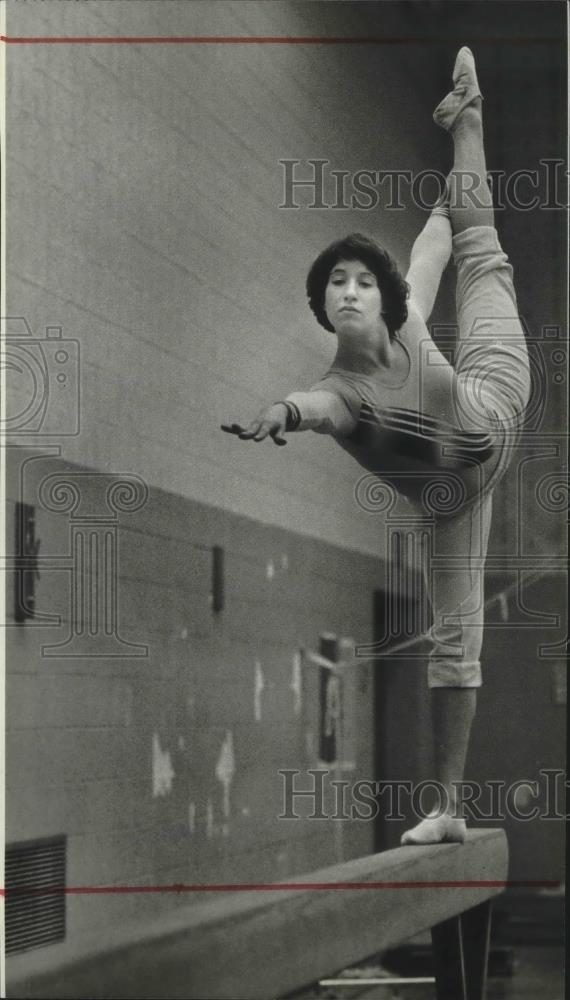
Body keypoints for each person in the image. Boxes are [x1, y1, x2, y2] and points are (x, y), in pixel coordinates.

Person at [222, 48, 530, 843]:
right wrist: (280, 411)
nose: (351, 289)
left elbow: (432, 248)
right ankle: (449, 809)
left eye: (362, 279)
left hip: (495, 395)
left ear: (377, 295)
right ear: (323, 310)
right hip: (456, 502)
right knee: (453, 643)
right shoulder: (345, 392)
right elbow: (318, 406)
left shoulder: (403, 321)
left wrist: (452, 179)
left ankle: (471, 118)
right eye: (336, 284)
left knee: (477, 245)